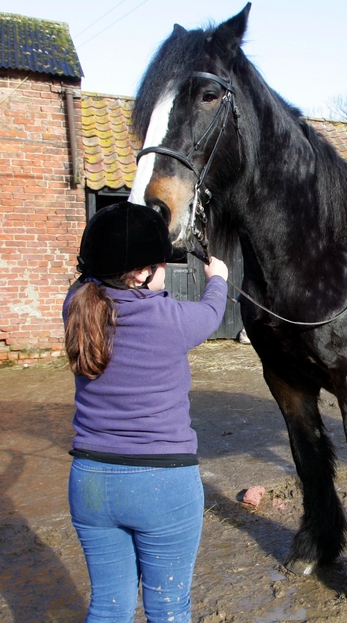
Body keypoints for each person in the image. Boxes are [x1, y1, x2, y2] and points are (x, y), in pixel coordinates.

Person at [63, 202, 229, 622]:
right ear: (139, 273)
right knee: (169, 607)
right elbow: (211, 314)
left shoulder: (75, 307)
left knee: (107, 607)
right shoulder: (168, 318)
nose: (165, 271)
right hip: (162, 484)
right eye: (160, 264)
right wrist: (218, 279)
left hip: (91, 481)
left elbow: (92, 280)